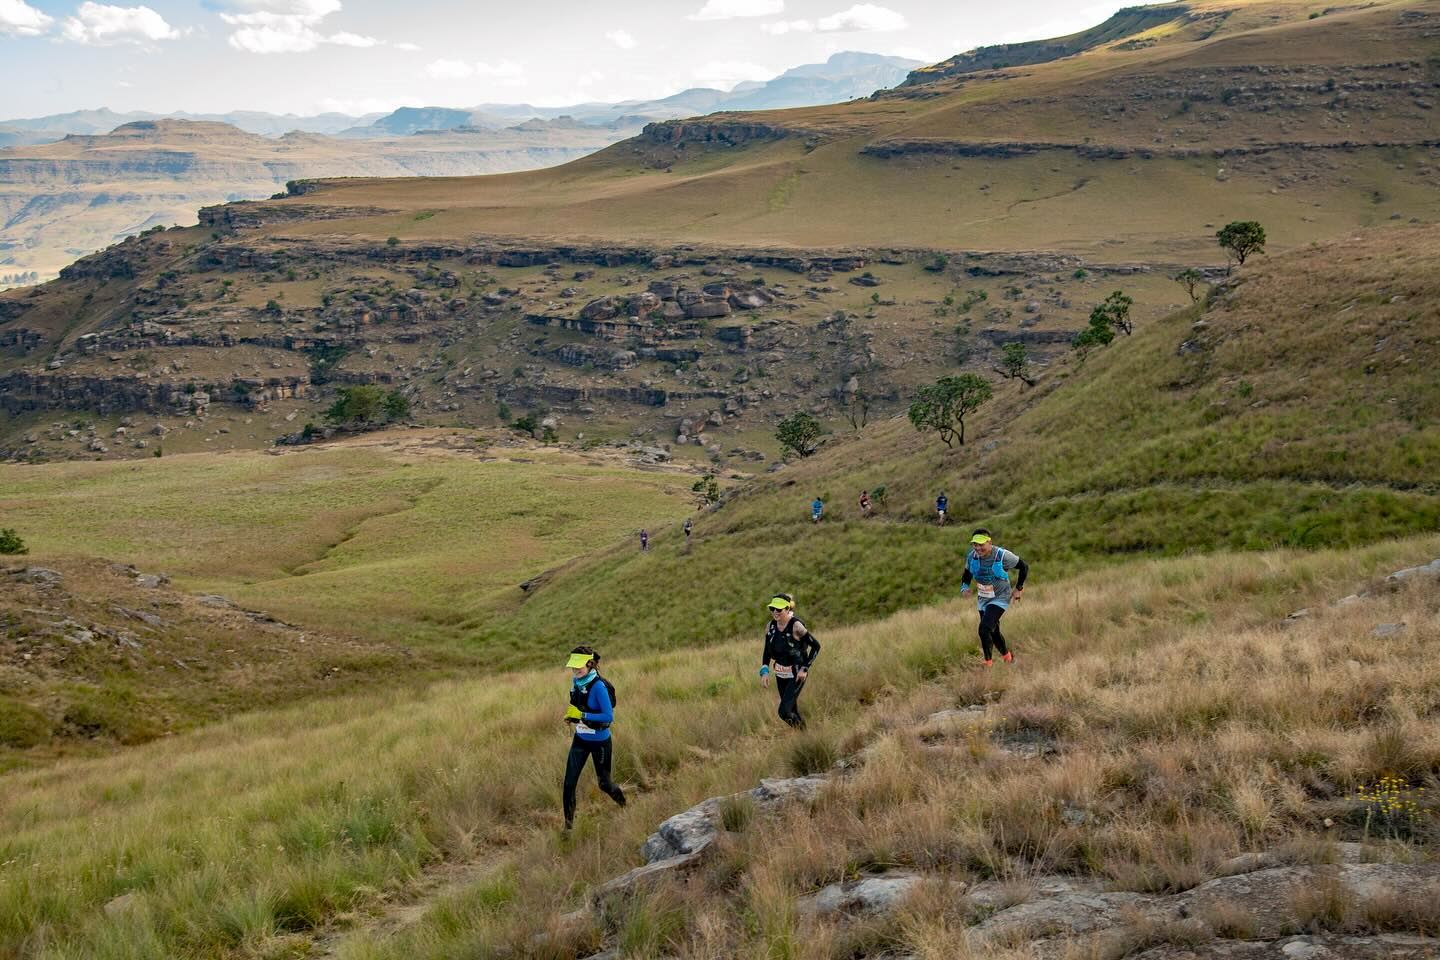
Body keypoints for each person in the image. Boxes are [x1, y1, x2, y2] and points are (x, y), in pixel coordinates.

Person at [562, 645, 626, 830]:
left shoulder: (598, 687)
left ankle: (624, 805)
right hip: (580, 740)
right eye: (573, 667)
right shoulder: (577, 682)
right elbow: (579, 707)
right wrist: (571, 716)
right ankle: (568, 828)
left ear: (590, 664)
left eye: (579, 666)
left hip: (600, 743)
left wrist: (581, 716)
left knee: (604, 784)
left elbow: (608, 716)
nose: (575, 670)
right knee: (568, 784)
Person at [959, 530, 1028, 667]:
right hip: (983, 599)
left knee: (984, 629)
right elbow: (967, 573)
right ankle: (1008, 658)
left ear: (989, 542)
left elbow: (1024, 567)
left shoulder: (1002, 555)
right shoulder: (972, 556)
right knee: (994, 631)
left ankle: (987, 664)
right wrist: (964, 587)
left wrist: (1018, 588)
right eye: (975, 544)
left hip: (1000, 597)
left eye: (981, 544)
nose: (978, 548)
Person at [759, 594, 820, 729]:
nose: (775, 612)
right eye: (772, 608)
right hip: (780, 673)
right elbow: (767, 651)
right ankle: (806, 735)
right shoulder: (770, 627)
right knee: (792, 710)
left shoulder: (796, 626)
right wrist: (764, 671)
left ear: (787, 609)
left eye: (779, 609)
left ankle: (805, 733)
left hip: (797, 672)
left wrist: (805, 668)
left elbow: (816, 646)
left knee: (783, 712)